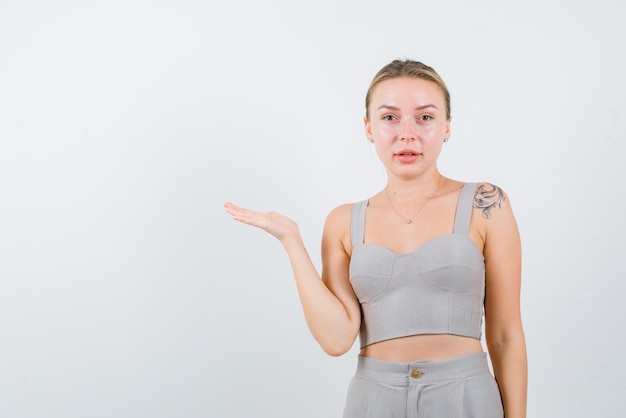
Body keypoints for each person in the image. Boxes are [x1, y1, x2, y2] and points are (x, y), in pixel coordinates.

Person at [224, 59, 527, 418]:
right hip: (374, 400)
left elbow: (505, 335)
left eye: (425, 117)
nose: (407, 133)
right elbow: (337, 340)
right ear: (368, 128)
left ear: (447, 126)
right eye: (389, 118)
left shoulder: (485, 203)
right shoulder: (343, 222)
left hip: (464, 397)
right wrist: (291, 242)